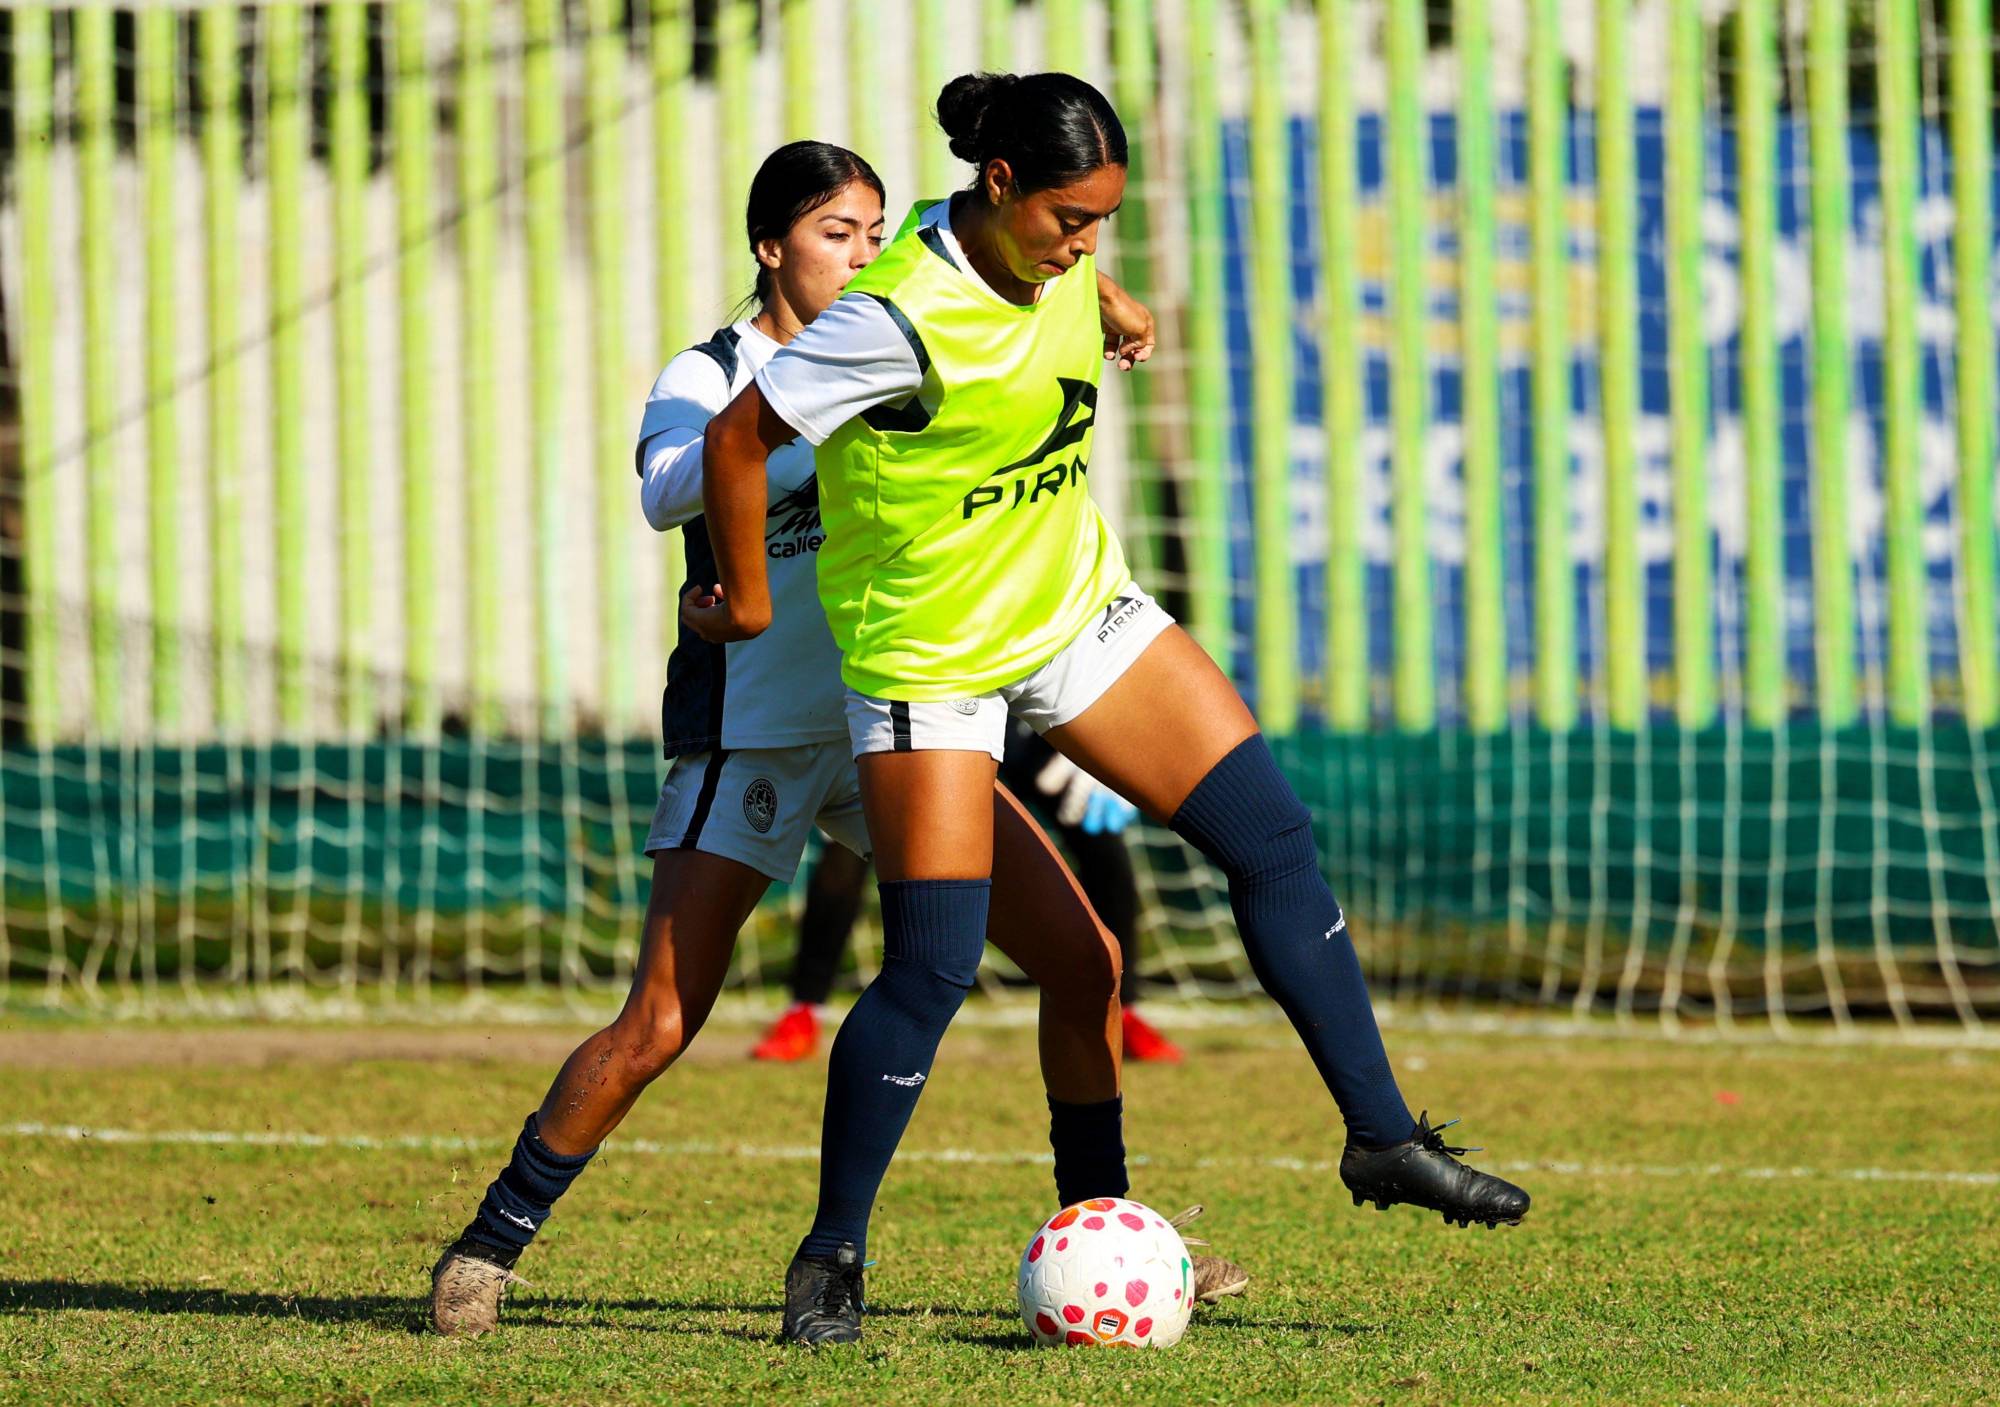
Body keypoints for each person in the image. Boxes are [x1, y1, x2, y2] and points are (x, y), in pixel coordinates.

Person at [690, 73, 1532, 1347]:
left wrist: (1108, 293)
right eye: (1070, 220)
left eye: (1104, 223)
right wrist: (748, 605)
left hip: (1073, 608)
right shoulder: (891, 318)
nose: (1085, 244)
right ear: (1001, 187)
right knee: (931, 966)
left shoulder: (1037, 251)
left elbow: (1038, 268)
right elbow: (737, 441)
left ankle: (1378, 1138)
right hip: (931, 657)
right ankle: (829, 1259)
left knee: (1271, 839)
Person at [428, 140, 1244, 1337]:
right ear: (771, 249)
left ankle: (1106, 1237)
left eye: (871, 233)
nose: (861, 254)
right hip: (753, 739)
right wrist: (819, 420)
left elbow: (976, 237)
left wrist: (1101, 293)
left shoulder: (901, 326)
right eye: (831, 234)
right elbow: (669, 485)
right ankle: (489, 1245)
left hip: (900, 727)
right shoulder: (720, 371)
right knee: (660, 1022)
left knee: (1086, 964)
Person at [752, 719, 1187, 1064]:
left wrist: (1090, 739)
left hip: (1019, 715)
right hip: (931, 715)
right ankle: (804, 1010)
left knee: (1099, 833)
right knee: (846, 848)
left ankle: (1123, 1010)